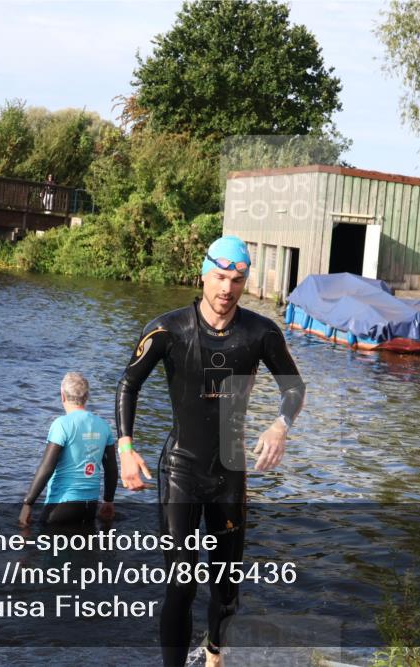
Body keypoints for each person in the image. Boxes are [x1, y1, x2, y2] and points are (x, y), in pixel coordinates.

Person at [115, 235, 305, 667]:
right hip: (181, 468)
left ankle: (215, 654)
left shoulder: (261, 333)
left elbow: (293, 388)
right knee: (181, 583)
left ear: (245, 282)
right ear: (203, 275)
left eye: (236, 280)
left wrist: (281, 425)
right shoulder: (168, 330)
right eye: (219, 277)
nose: (226, 288)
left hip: (229, 474)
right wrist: (126, 446)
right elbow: (128, 384)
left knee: (226, 589)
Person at [19, 372, 117, 527]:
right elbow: (111, 468)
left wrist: (28, 503)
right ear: (86, 396)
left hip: (61, 505)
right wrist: (108, 501)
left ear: (62, 395)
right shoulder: (104, 425)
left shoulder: (61, 424)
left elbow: (47, 467)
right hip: (90, 506)